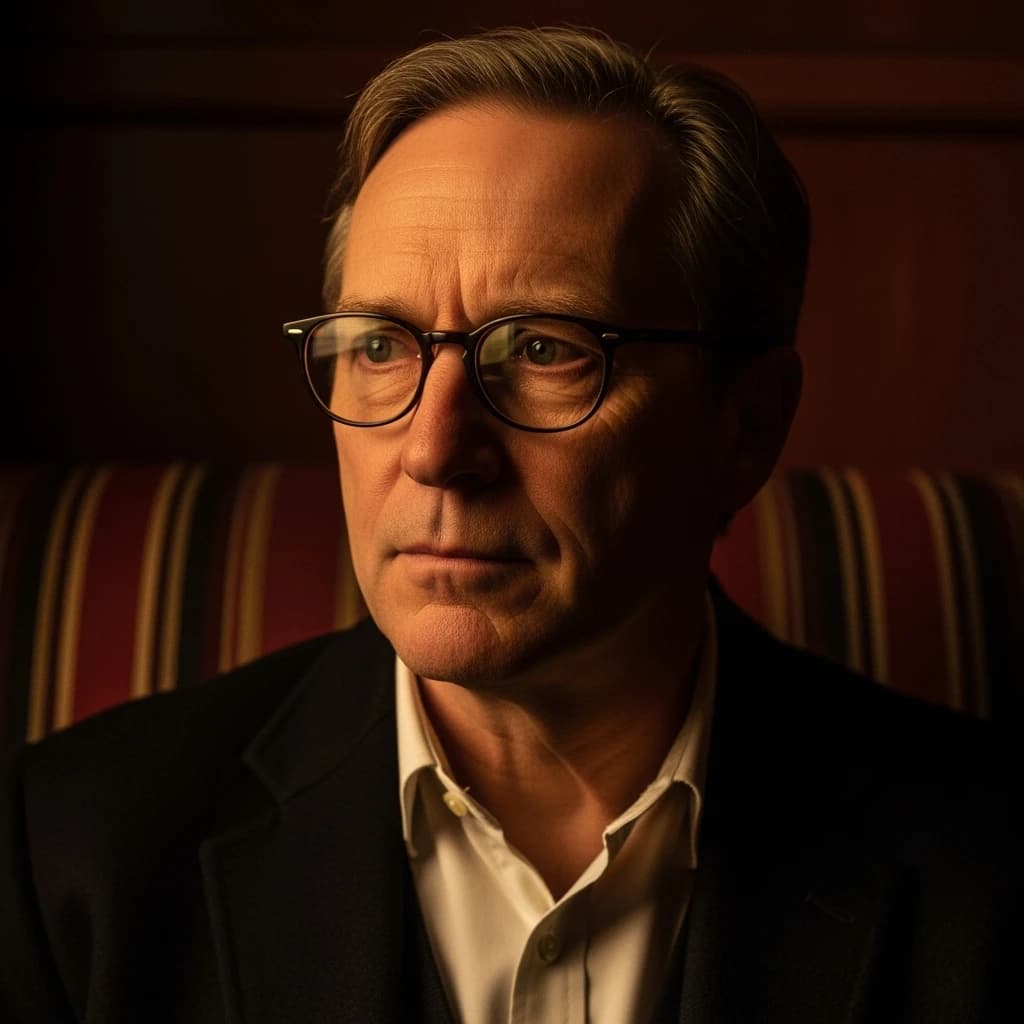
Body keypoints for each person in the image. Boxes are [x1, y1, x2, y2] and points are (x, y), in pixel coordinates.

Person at [1, 26, 1017, 1024]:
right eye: (380, 346)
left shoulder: (988, 870)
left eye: (541, 348)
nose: (435, 450)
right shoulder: (74, 856)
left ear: (743, 427)